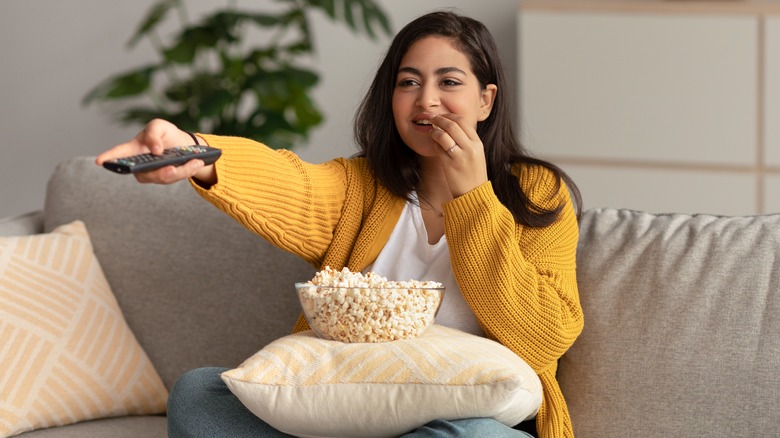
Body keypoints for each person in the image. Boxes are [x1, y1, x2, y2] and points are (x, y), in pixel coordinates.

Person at [97, 9, 583, 438]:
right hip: (347, 416)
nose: (426, 101)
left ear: (486, 100)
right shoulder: (362, 185)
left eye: (449, 82)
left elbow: (543, 336)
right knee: (199, 394)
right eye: (408, 82)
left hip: (469, 420)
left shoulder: (536, 191)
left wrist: (474, 198)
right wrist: (196, 152)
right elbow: (291, 183)